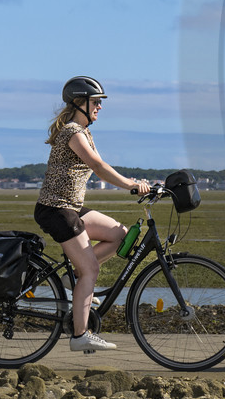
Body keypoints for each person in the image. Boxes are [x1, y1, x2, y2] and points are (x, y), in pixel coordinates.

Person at [33, 76, 151, 353]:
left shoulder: (84, 131)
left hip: (70, 207)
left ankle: (73, 277)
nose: (100, 107)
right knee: (91, 270)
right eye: (96, 102)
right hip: (56, 209)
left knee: (119, 234)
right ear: (79, 103)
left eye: (100, 102)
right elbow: (98, 166)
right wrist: (132, 185)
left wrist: (135, 182)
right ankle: (80, 335)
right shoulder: (73, 132)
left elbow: (102, 166)